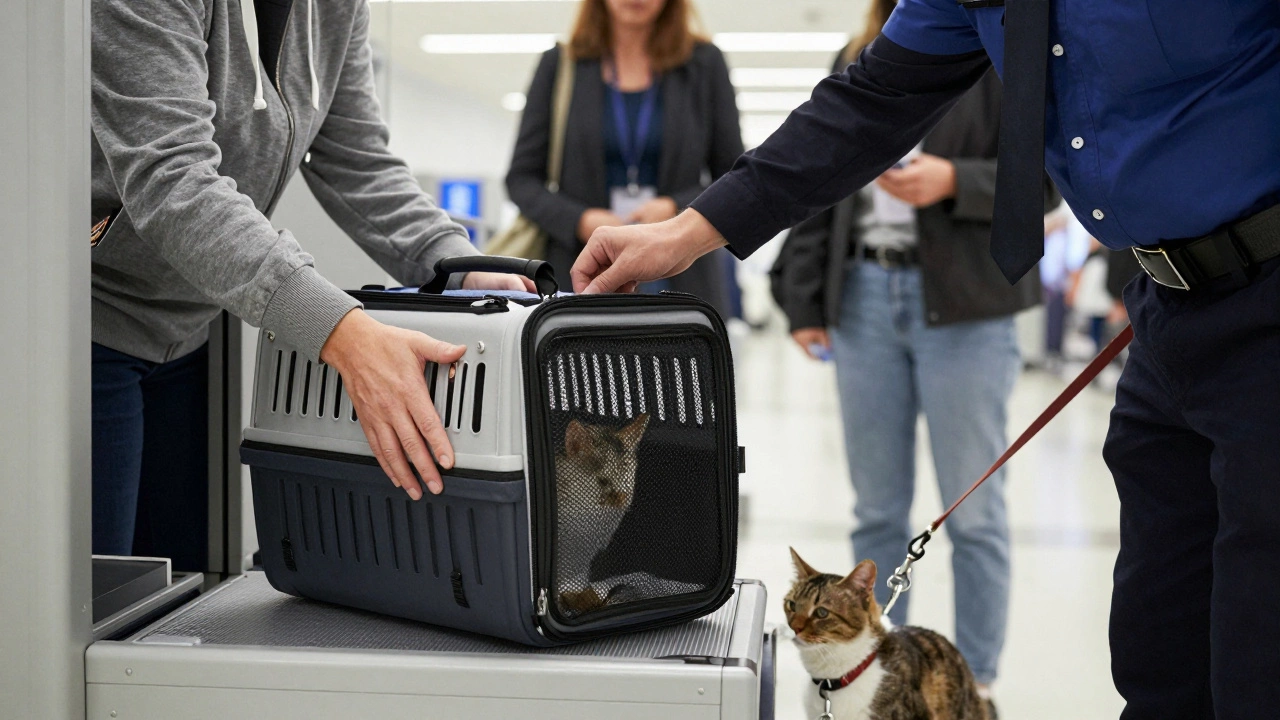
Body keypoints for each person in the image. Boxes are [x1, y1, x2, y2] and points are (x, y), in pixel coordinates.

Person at [570, 0, 1280, 717]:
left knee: (1259, 651)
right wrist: (690, 232)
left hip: (1261, 292)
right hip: (1166, 310)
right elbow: (871, 100)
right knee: (1160, 649)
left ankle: (981, 680)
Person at [91, 0, 528, 571]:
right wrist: (341, 332)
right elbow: (171, 176)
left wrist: (460, 267)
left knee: (177, 598)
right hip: (88, 326)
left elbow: (359, 160)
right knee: (90, 611)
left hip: (193, 332)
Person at [770, 2, 1054, 705]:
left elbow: (1049, 178)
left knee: (976, 513)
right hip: (863, 294)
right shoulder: (861, 50)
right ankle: (885, 679)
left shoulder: (1004, 48)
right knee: (877, 511)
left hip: (967, 300)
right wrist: (804, 299)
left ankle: (975, 683)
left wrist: (955, 181)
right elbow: (819, 180)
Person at [506, 0, 742, 316]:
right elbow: (521, 180)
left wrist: (676, 209)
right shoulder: (562, 64)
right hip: (580, 273)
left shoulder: (704, 63)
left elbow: (733, 175)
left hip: (681, 277)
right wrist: (581, 220)